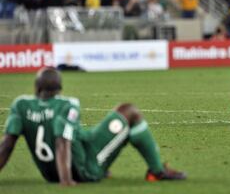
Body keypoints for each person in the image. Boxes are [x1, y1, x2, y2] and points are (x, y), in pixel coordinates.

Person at [0, 67, 186, 186]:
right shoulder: (67, 104)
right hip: (83, 170)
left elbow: (7, 144)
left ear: (36, 88)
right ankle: (157, 171)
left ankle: (106, 166)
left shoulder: (20, 105)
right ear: (60, 89)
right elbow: (62, 141)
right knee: (129, 111)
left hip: (52, 172)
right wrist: (66, 180)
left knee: (103, 122)